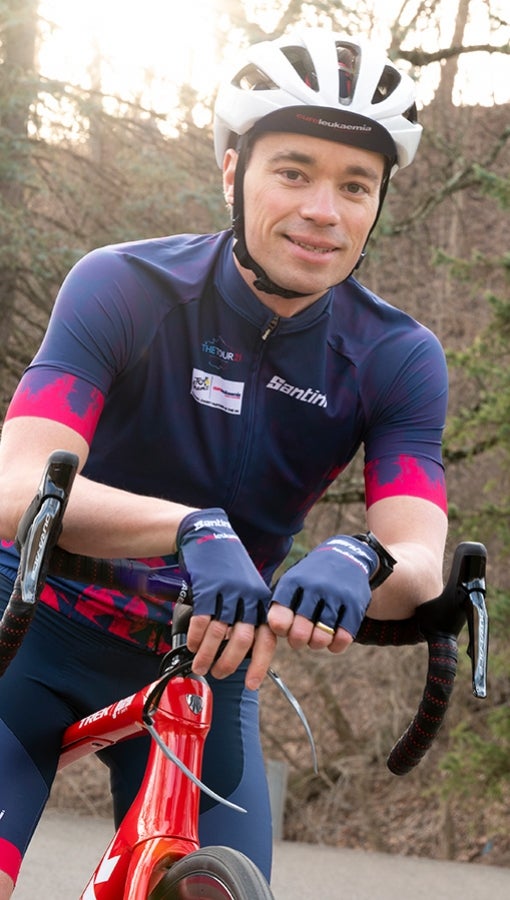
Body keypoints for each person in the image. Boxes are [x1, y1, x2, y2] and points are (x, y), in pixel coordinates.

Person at [0, 27, 448, 896]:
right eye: (294, 171)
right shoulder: (123, 287)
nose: (325, 209)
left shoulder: (396, 356)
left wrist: (362, 557)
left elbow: (421, 562)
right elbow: (18, 484)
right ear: (233, 171)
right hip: (30, 630)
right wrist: (187, 528)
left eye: (355, 185)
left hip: (205, 670)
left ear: (379, 204)